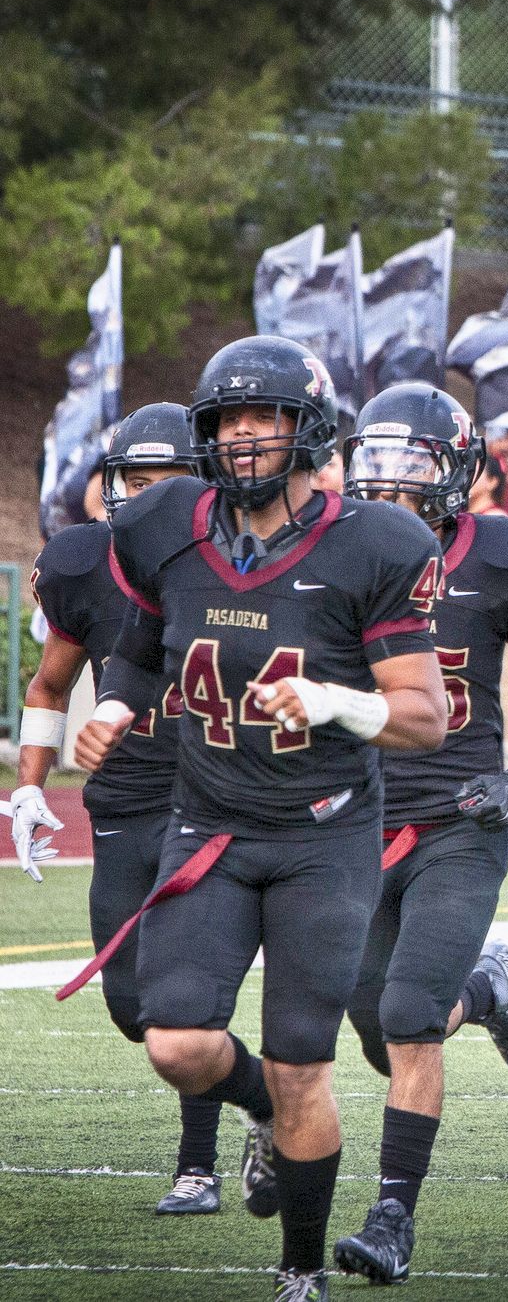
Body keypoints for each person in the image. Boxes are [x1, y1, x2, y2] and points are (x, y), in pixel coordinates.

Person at [69, 336, 448, 1301]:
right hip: (209, 824)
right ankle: (262, 1120)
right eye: (229, 419)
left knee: (300, 1064)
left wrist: (336, 702)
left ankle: (298, 1269)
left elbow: (425, 713)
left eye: (265, 416)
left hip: (322, 835)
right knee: (176, 1041)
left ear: (307, 426)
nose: (243, 435)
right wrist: (116, 701)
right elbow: (144, 640)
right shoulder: (161, 523)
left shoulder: (376, 542)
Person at [329, 385, 508, 1284]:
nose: (391, 486)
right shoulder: (336, 554)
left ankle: (392, 1213)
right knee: (369, 1022)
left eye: (413, 466)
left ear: (459, 470)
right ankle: (490, 984)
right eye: (378, 466)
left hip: (460, 823)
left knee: (407, 1014)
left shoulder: (507, 557)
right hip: (355, 823)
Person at [12, 404, 235, 1217]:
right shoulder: (82, 562)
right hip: (124, 798)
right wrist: (31, 783)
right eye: (132, 482)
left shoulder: (245, 564)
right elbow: (50, 684)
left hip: (216, 799)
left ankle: (198, 1165)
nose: (143, 499)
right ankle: (257, 1093)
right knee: (131, 1004)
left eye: (162, 483)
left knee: (186, 992)